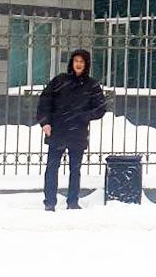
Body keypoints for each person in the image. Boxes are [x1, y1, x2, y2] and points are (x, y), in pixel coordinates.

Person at [37, 49, 106, 211]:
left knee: (75, 169)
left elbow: (100, 108)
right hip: (57, 130)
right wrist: (45, 122)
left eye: (82, 62)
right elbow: (44, 101)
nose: (78, 64)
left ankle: (73, 202)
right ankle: (49, 202)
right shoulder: (60, 80)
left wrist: (84, 116)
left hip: (78, 132)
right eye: (76, 61)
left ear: (86, 64)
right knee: (52, 168)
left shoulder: (92, 85)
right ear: (71, 63)